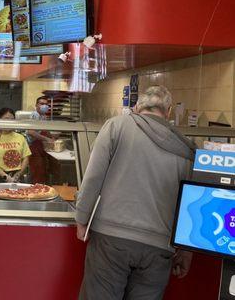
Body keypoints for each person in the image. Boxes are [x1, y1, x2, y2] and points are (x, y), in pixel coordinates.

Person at [76, 86, 196, 300]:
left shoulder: (117, 125)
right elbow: (189, 205)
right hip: (159, 249)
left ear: (138, 106)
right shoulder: (186, 148)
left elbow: (93, 177)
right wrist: (186, 252)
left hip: (111, 240)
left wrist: (82, 219)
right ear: (167, 112)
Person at [0, 107, 31, 183]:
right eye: (6, 118)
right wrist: (6, 177)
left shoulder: (20, 137)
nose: (9, 122)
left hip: (17, 175)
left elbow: (26, 157)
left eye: (12, 119)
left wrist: (18, 174)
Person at [27, 96, 54, 183]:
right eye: (42, 104)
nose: (44, 106)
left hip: (40, 148)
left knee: (43, 170)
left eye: (46, 104)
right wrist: (46, 139)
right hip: (33, 147)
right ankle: (37, 190)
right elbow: (31, 132)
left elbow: (45, 130)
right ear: (36, 105)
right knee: (37, 171)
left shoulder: (44, 117)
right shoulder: (35, 115)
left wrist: (52, 137)